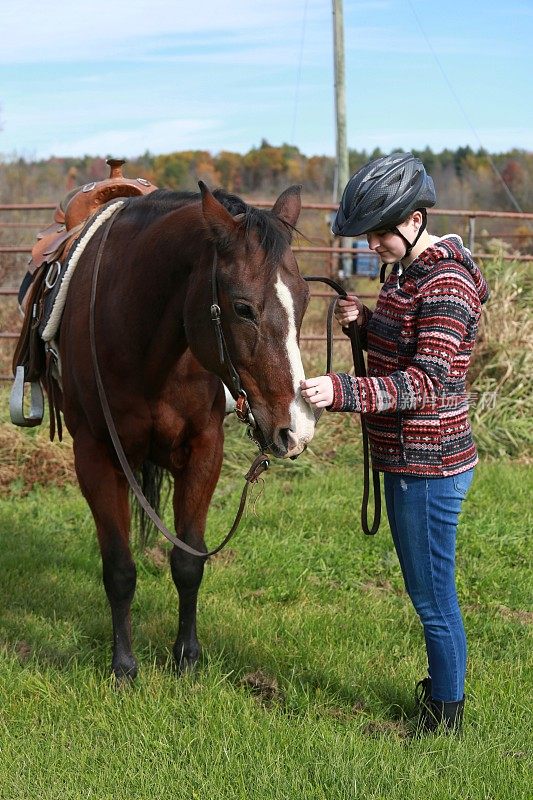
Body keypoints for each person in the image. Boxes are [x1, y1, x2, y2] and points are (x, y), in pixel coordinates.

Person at [300, 152, 489, 734]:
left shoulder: (448, 283)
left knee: (433, 598)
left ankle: (445, 715)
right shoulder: (408, 274)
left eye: (380, 232)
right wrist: (365, 326)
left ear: (414, 220)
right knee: (426, 590)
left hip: (429, 465)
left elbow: (427, 381)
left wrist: (343, 390)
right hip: (408, 458)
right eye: (369, 234)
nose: (373, 244)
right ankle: (443, 693)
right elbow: (404, 345)